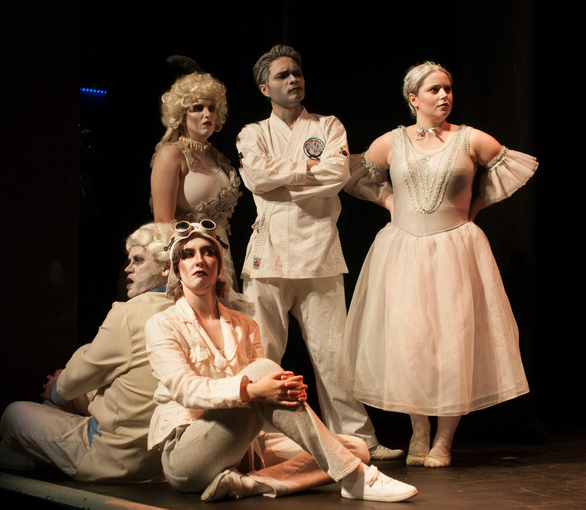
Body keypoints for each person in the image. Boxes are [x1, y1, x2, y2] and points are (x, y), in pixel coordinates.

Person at [342, 61, 538, 468]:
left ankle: (444, 440)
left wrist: (471, 210)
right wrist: (388, 201)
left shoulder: (470, 138)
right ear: (413, 98)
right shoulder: (392, 141)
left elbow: (504, 173)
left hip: (454, 250)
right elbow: (355, 175)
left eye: (448, 88)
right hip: (404, 252)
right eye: (434, 90)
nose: (444, 95)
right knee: (410, 342)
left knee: (453, 342)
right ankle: (419, 431)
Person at [144, 220, 418, 502]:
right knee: (264, 371)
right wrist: (253, 390)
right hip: (188, 457)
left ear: (219, 264)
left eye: (208, 252)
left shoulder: (245, 325)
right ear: (177, 268)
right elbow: (185, 389)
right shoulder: (162, 325)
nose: (199, 260)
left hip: (245, 451)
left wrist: (284, 391)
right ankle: (355, 478)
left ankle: (249, 484)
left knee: (355, 448)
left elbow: (265, 393)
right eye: (188, 255)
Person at [234, 45, 401, 461]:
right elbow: (256, 176)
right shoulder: (252, 133)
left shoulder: (328, 125)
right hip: (268, 254)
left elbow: (336, 173)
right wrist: (306, 169)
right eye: (282, 75)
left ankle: (359, 439)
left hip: (320, 249)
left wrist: (285, 175)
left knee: (334, 355)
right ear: (264, 88)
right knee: (261, 354)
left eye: (297, 72)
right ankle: (252, 442)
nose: (293, 79)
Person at [0, 222, 175, 483]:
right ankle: (13, 452)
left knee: (14, 413)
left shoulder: (128, 313)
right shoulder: (186, 310)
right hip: (161, 465)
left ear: (166, 268)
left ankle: (12, 450)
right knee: (82, 386)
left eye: (138, 260)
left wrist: (55, 387)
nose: (128, 268)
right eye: (129, 260)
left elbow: (70, 384)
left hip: (115, 461)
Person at [150, 69, 242, 290]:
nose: (207, 114)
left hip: (221, 257)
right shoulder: (171, 155)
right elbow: (163, 224)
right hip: (189, 259)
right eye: (198, 108)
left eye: (212, 108)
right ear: (182, 115)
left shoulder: (216, 157)